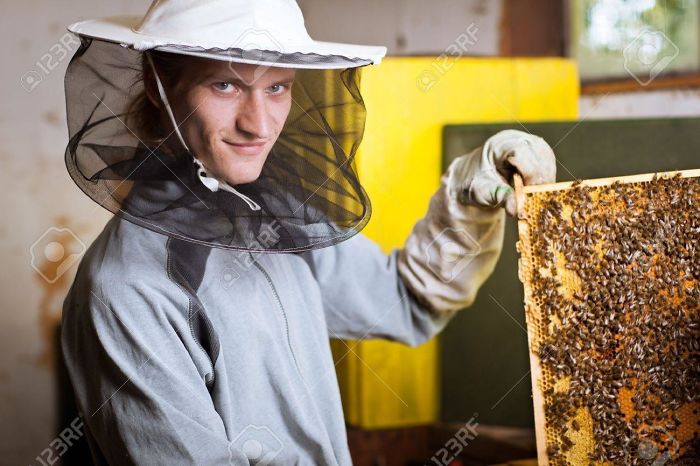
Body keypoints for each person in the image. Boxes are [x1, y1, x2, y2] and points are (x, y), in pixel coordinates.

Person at [60, 0, 557, 464]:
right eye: (225, 85)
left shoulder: (275, 216)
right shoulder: (127, 288)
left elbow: (405, 303)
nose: (259, 125)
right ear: (158, 85)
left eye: (277, 86)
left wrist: (469, 198)